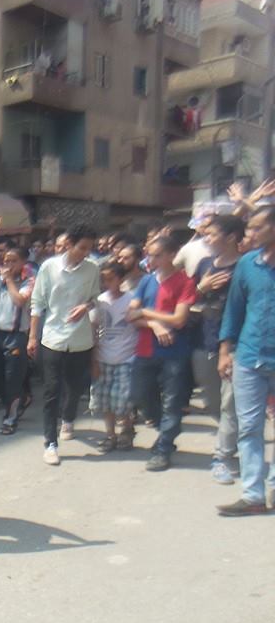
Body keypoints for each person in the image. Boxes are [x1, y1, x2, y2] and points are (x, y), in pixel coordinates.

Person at [215, 206, 275, 516]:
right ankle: (253, 496)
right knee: (249, 428)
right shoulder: (247, 264)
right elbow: (234, 310)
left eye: (255, 228)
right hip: (250, 357)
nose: (248, 234)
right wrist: (225, 351)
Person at [28, 223, 101, 466]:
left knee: (75, 387)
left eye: (89, 248)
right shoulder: (49, 267)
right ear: (69, 244)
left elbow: (95, 298)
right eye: (82, 248)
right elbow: (37, 303)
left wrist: (86, 306)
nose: (86, 253)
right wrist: (32, 336)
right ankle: (50, 443)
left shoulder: (92, 269)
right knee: (51, 391)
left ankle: (68, 418)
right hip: (52, 338)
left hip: (80, 340)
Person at [127, 236, 196, 472]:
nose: (151, 259)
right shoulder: (147, 281)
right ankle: (167, 430)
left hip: (174, 351)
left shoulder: (185, 282)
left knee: (173, 401)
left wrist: (146, 313)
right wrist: (154, 324)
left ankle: (163, 448)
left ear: (171, 255)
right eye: (150, 254)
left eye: (157, 255)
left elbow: (179, 320)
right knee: (140, 395)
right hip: (145, 349)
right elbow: (130, 316)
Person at [192, 215, 244, 485]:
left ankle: (222, 457)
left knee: (229, 404)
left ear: (231, 237)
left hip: (235, 345)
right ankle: (232, 443)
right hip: (203, 342)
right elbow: (186, 299)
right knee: (213, 403)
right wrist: (202, 287)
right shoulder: (204, 264)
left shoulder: (246, 266)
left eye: (212, 234)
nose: (207, 238)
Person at [89, 262, 138, 452]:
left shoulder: (131, 300)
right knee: (104, 400)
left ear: (121, 279)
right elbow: (94, 330)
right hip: (103, 357)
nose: (107, 282)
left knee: (122, 400)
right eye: (104, 279)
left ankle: (126, 429)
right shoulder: (100, 301)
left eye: (111, 278)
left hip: (127, 357)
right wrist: (93, 360)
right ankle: (110, 435)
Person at [0, 247, 34, 435]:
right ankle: (23, 397)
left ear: (23, 262)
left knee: (12, 380)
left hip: (15, 336)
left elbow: (20, 301)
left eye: (13, 261)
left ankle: (10, 418)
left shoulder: (28, 281)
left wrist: (8, 280)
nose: (8, 264)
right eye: (6, 260)